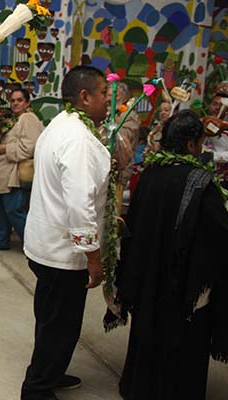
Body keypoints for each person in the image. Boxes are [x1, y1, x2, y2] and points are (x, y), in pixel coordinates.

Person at [114, 110, 228, 399]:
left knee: (147, 332)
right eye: (200, 142)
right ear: (191, 145)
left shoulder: (149, 175)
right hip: (183, 285)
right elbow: (219, 232)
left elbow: (134, 225)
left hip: (148, 277)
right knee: (182, 345)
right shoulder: (201, 182)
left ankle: (139, 388)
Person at [21, 66, 110, 400]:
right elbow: (78, 203)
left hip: (44, 245)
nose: (107, 100)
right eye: (103, 92)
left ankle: (50, 372)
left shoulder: (60, 124)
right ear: (85, 97)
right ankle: (37, 389)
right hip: (62, 253)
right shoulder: (78, 139)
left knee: (50, 320)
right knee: (60, 327)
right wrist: (94, 257)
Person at [0, 88, 43, 251]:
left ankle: (34, 245)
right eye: (13, 100)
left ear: (27, 102)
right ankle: (2, 242)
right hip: (2, 172)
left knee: (13, 210)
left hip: (13, 173)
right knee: (1, 211)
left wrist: (6, 149)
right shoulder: (13, 119)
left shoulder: (28, 118)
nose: (15, 103)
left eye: (19, 100)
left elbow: (31, 147)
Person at [203, 93, 228, 185]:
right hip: (200, 177)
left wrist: (213, 156)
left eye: (221, 105)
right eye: (214, 104)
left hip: (222, 180)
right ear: (209, 106)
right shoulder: (200, 125)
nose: (217, 108)